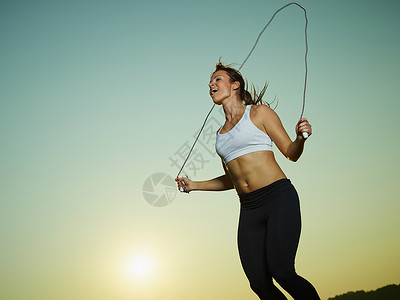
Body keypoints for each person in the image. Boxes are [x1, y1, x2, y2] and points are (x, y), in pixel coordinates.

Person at [175, 62, 320, 300]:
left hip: (278, 198)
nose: (211, 84)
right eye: (210, 82)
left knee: (283, 272)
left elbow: (291, 153)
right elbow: (232, 180)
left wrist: (300, 138)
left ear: (235, 85)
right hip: (249, 208)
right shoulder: (220, 136)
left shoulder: (259, 113)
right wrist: (195, 185)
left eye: (217, 79)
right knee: (259, 284)